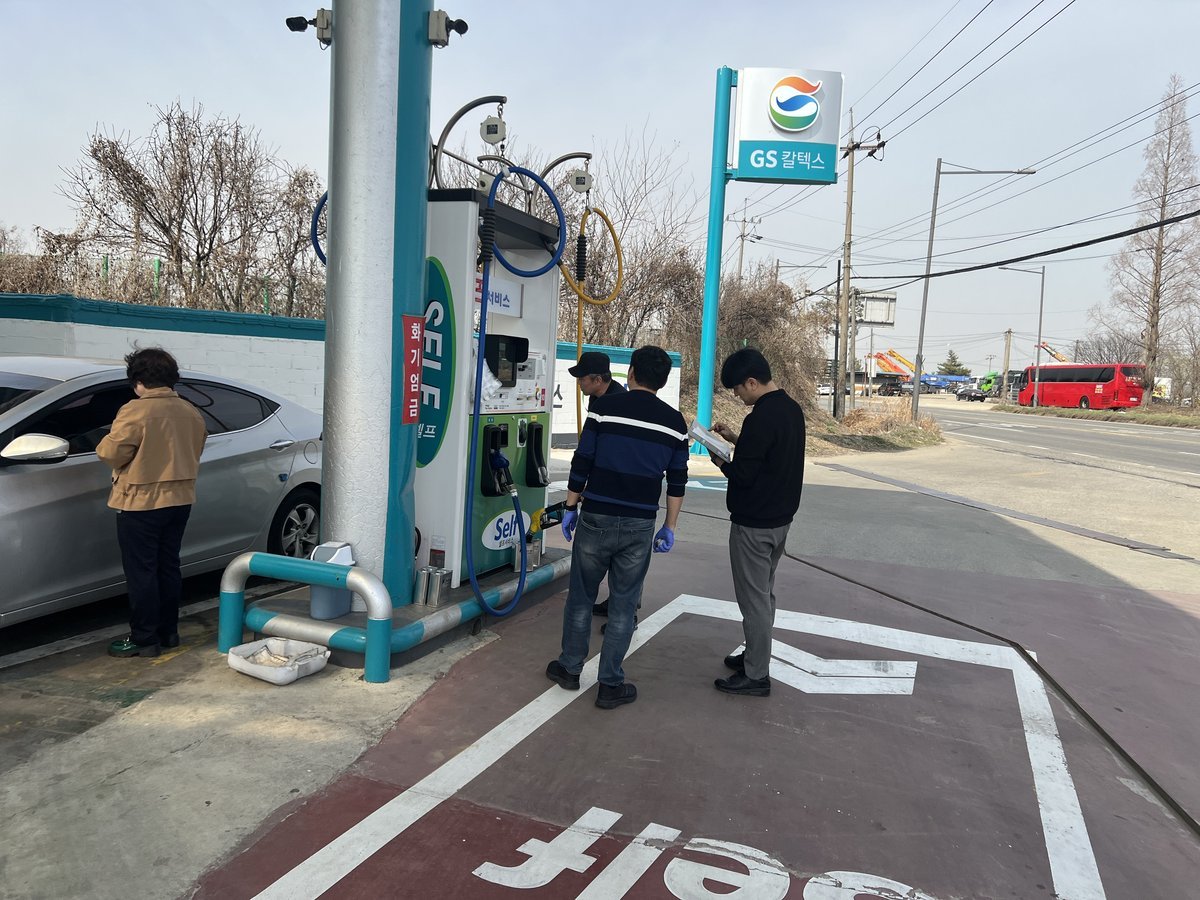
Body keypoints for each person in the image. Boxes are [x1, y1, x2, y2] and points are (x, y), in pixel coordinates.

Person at [546, 345, 687, 709]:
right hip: (641, 524)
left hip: (597, 516)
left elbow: (582, 461)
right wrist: (669, 526)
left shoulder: (604, 409)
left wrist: (570, 506)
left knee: (581, 597)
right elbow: (677, 481)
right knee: (624, 606)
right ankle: (610, 684)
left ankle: (570, 668)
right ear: (663, 380)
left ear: (632, 373)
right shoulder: (675, 423)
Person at [97, 348, 207, 658]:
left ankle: (144, 638)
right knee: (168, 566)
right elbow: (197, 448)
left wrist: (105, 439)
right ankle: (168, 632)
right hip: (180, 500)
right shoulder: (191, 412)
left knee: (142, 572)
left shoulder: (135, 410)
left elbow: (111, 453)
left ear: (138, 381)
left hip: (141, 502)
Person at [710, 348, 806, 697]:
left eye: (738, 389)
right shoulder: (791, 409)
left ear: (752, 381)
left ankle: (756, 675)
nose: (738, 396)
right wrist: (736, 439)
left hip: (754, 524)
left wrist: (720, 460)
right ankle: (755, 655)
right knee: (764, 594)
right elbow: (770, 454)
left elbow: (743, 475)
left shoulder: (761, 418)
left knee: (754, 601)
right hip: (780, 520)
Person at [568, 350, 626, 618]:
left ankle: (625, 611)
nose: (579, 383)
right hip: (600, 486)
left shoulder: (618, 403)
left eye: (582, 379)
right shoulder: (597, 399)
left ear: (598, 379)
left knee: (618, 559)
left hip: (617, 491)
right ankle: (616, 603)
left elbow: (609, 452)